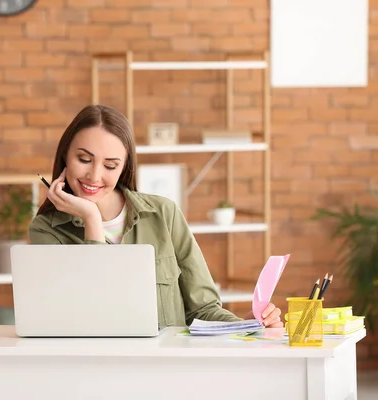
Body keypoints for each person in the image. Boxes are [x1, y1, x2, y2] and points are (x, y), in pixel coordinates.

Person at [28, 104, 282, 328]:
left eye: (109, 166)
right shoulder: (46, 230)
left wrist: (248, 325)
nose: (94, 176)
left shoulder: (164, 214)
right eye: (84, 159)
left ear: (124, 167)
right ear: (65, 157)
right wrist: (91, 220)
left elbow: (203, 311)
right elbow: (86, 316)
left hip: (168, 371)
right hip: (96, 369)